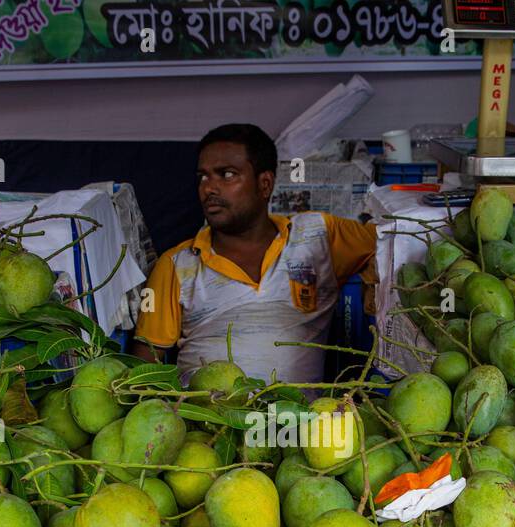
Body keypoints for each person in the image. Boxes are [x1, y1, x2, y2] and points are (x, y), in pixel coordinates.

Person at [131, 123, 377, 386]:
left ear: (265, 184)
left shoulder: (318, 236)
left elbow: (398, 241)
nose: (209, 188)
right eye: (203, 177)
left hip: (295, 420)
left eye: (226, 174)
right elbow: (145, 366)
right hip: (204, 419)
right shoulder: (176, 264)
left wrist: (373, 284)